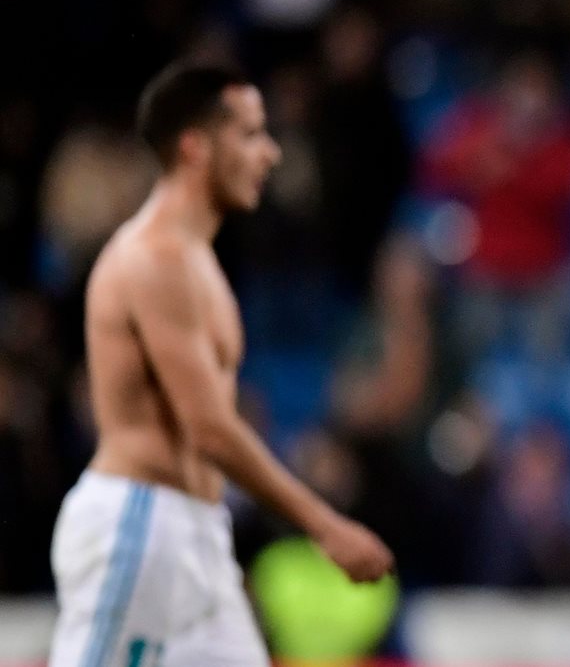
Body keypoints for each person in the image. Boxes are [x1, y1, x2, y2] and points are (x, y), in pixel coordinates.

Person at [48, 63, 395, 666]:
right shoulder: (154, 259)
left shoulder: (198, 260)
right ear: (195, 147)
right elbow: (207, 428)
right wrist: (324, 524)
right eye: (251, 134)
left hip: (197, 532)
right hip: (138, 520)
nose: (271, 153)